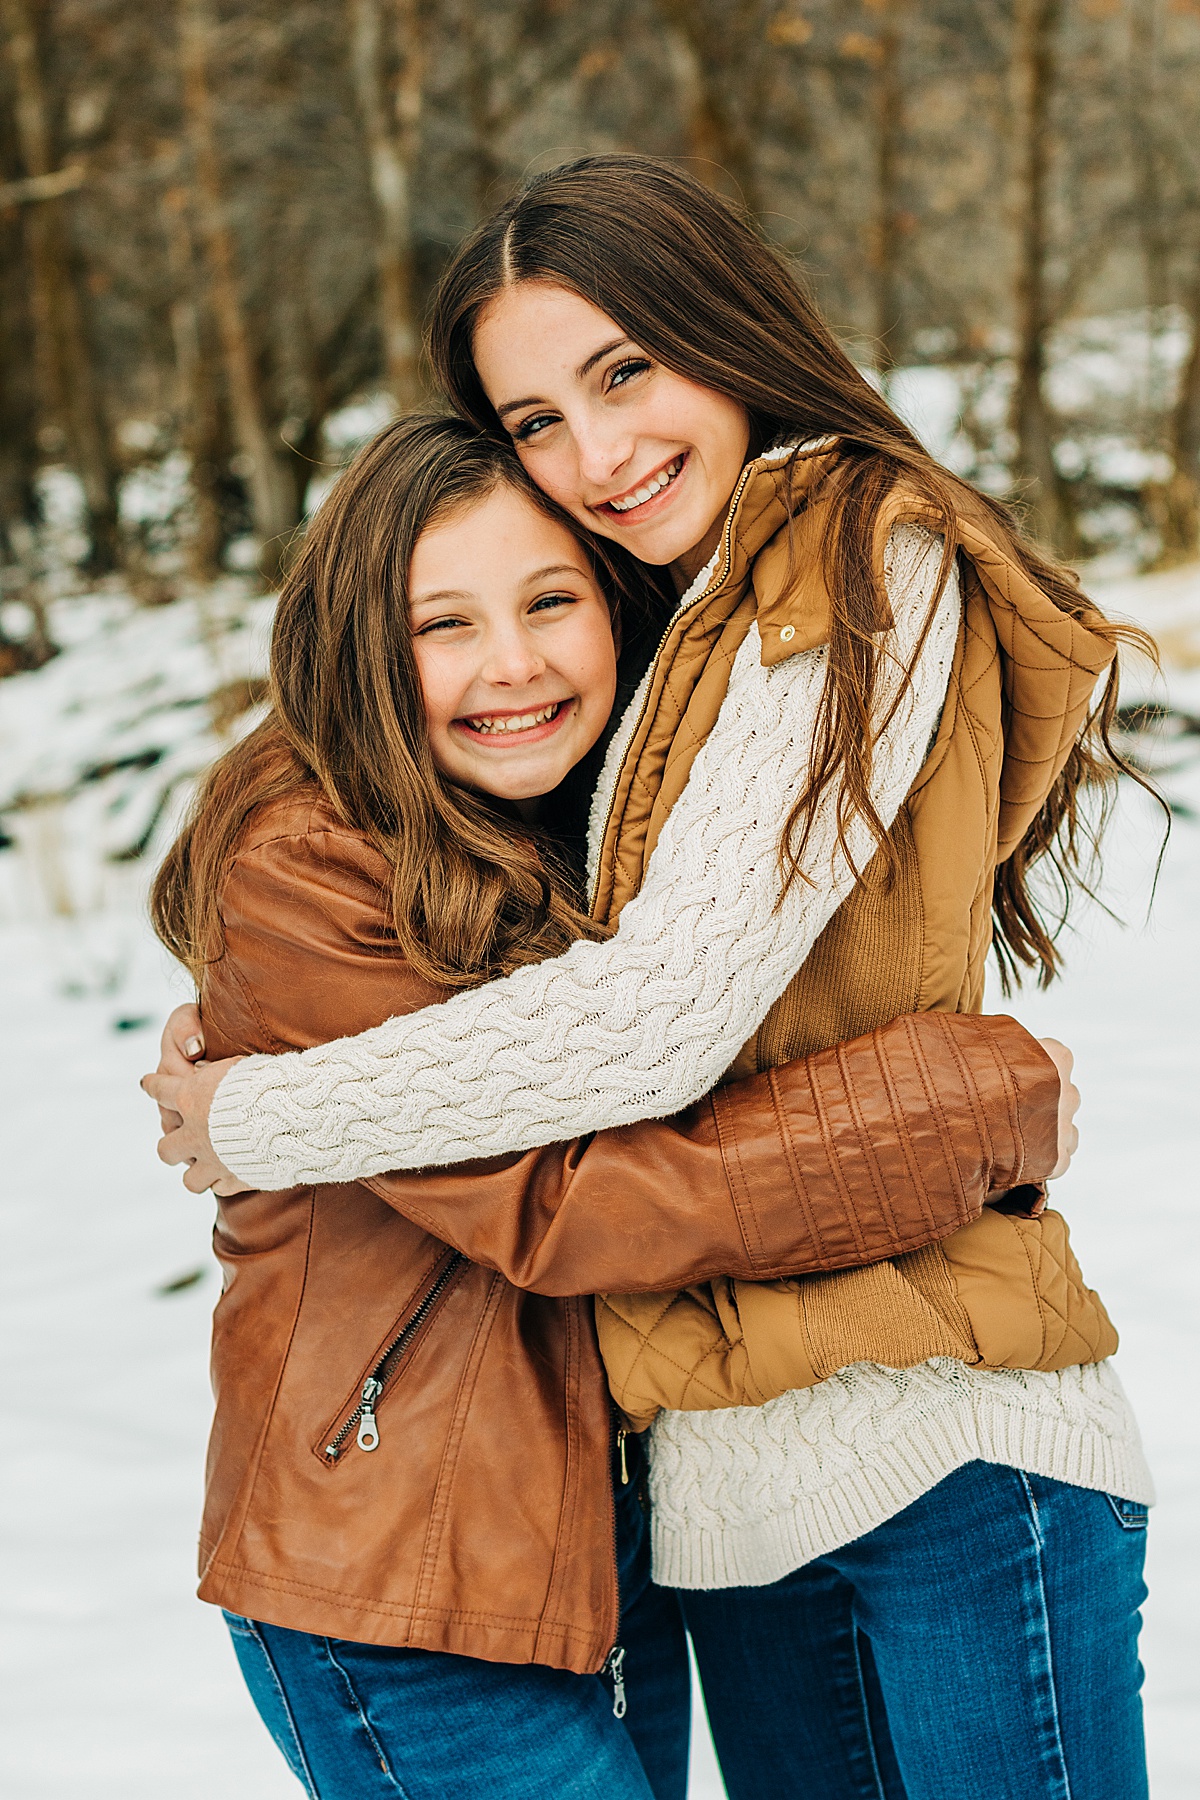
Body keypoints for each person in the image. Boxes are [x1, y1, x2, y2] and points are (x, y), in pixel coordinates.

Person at [148, 158, 1153, 1798]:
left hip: (940, 1433)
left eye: (623, 372)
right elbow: (576, 1174)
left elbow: (656, 1018)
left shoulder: (851, 550)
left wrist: (255, 1116)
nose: (597, 454)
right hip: (666, 1505)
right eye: (536, 419)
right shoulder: (386, 821)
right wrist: (945, 1106)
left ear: (725, 326)